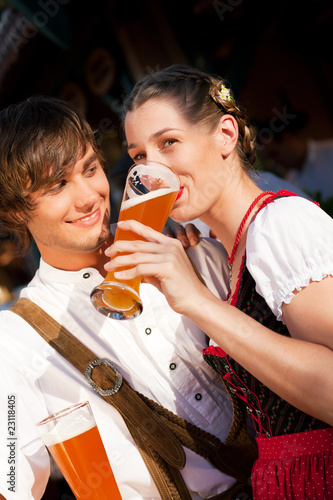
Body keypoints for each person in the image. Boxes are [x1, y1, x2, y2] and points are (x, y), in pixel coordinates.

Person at [0, 96, 257, 500]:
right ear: (16, 212)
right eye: (58, 185)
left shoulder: (188, 247)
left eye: (89, 169)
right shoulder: (14, 342)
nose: (88, 197)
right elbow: (10, 484)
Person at [106, 65, 333, 499]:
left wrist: (198, 303)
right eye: (139, 157)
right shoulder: (219, 251)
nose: (152, 172)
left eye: (169, 143)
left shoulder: (281, 225)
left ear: (226, 134)